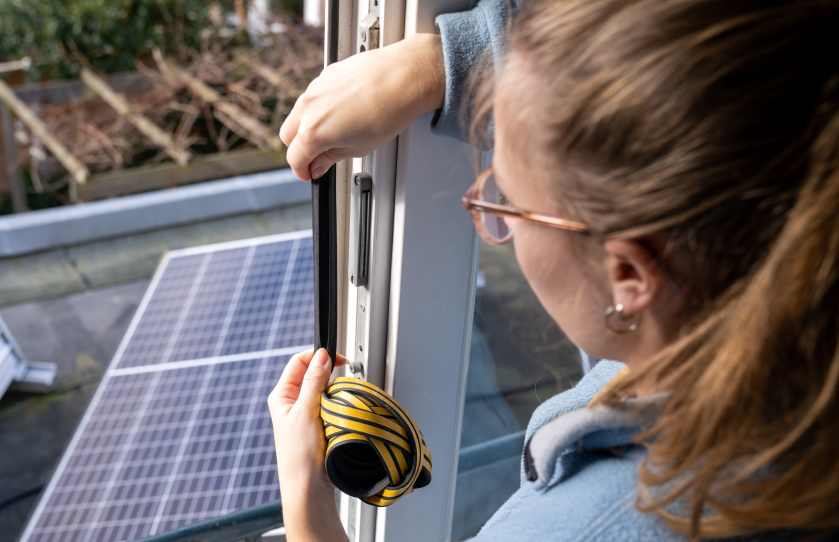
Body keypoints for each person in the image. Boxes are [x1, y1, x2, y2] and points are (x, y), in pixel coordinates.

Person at [268, 0, 839, 539]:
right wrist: (435, 65)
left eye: (507, 200)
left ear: (631, 278)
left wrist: (305, 506)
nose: (482, 204)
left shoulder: (596, 521)